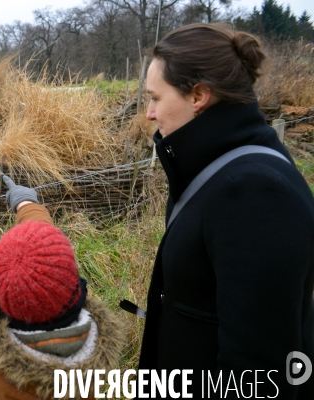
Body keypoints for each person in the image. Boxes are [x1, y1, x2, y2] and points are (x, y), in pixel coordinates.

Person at [139, 22, 314, 398]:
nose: (149, 113)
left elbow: (259, 368)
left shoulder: (256, 193)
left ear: (198, 95)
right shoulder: (210, 168)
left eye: (155, 97)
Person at [0, 173, 125, 399]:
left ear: (3, 297)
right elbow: (48, 264)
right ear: (71, 286)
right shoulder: (95, 345)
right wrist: (27, 205)